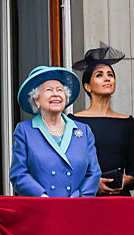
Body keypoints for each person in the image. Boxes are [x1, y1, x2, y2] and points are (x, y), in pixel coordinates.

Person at [10, 66, 101, 197]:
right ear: (36, 99)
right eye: (49, 90)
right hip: (41, 209)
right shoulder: (25, 131)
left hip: (77, 208)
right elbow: (18, 174)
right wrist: (42, 197)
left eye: (60, 90)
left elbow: (94, 173)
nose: (56, 94)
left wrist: (78, 197)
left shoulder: (83, 131)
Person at [69, 44, 134, 196]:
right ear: (87, 86)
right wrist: (93, 183)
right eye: (99, 75)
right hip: (87, 198)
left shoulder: (127, 122)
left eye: (110, 75)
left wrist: (125, 180)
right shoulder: (73, 121)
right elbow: (69, 168)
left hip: (120, 200)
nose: (107, 78)